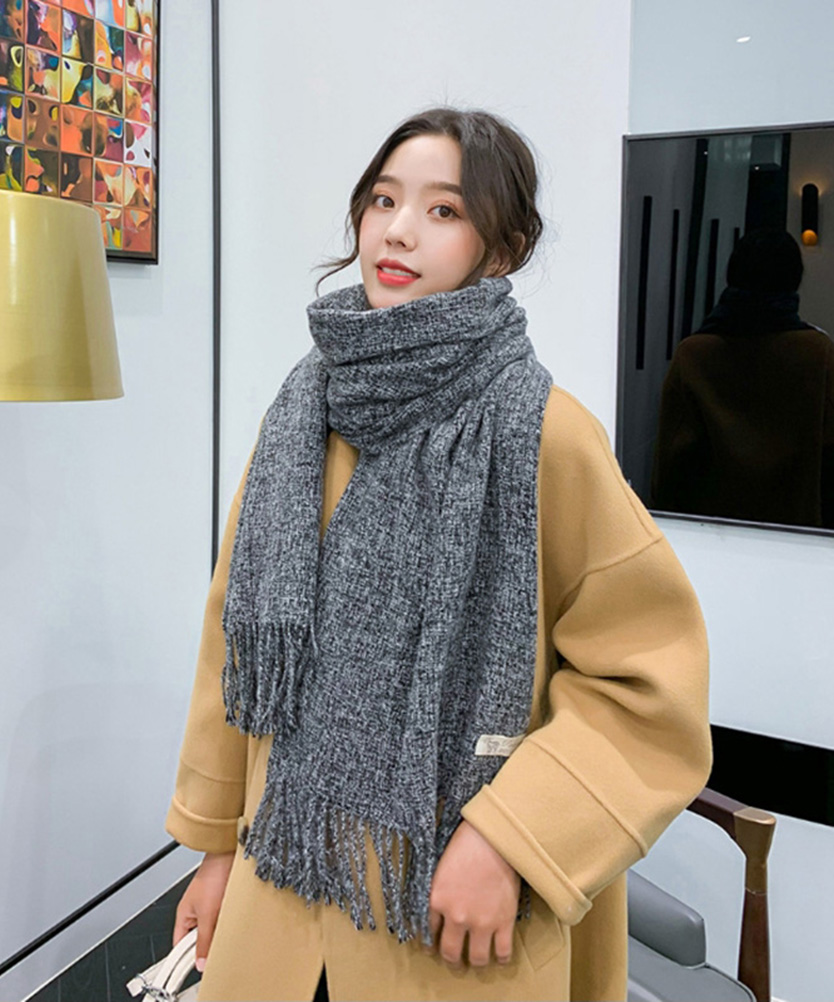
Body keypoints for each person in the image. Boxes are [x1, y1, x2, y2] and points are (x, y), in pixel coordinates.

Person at [165, 108, 711, 1001]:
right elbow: (238, 646)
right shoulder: (304, 412)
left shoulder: (545, 435)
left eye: (444, 210)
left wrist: (512, 838)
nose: (398, 230)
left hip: (450, 931)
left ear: (504, 248)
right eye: (384, 200)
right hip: (280, 888)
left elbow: (650, 691)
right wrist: (216, 845)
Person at [651, 226, 834, 529]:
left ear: (732, 274)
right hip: (798, 534)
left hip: (710, 533)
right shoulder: (818, 354)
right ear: (794, 280)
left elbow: (671, 465)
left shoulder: (694, 354)